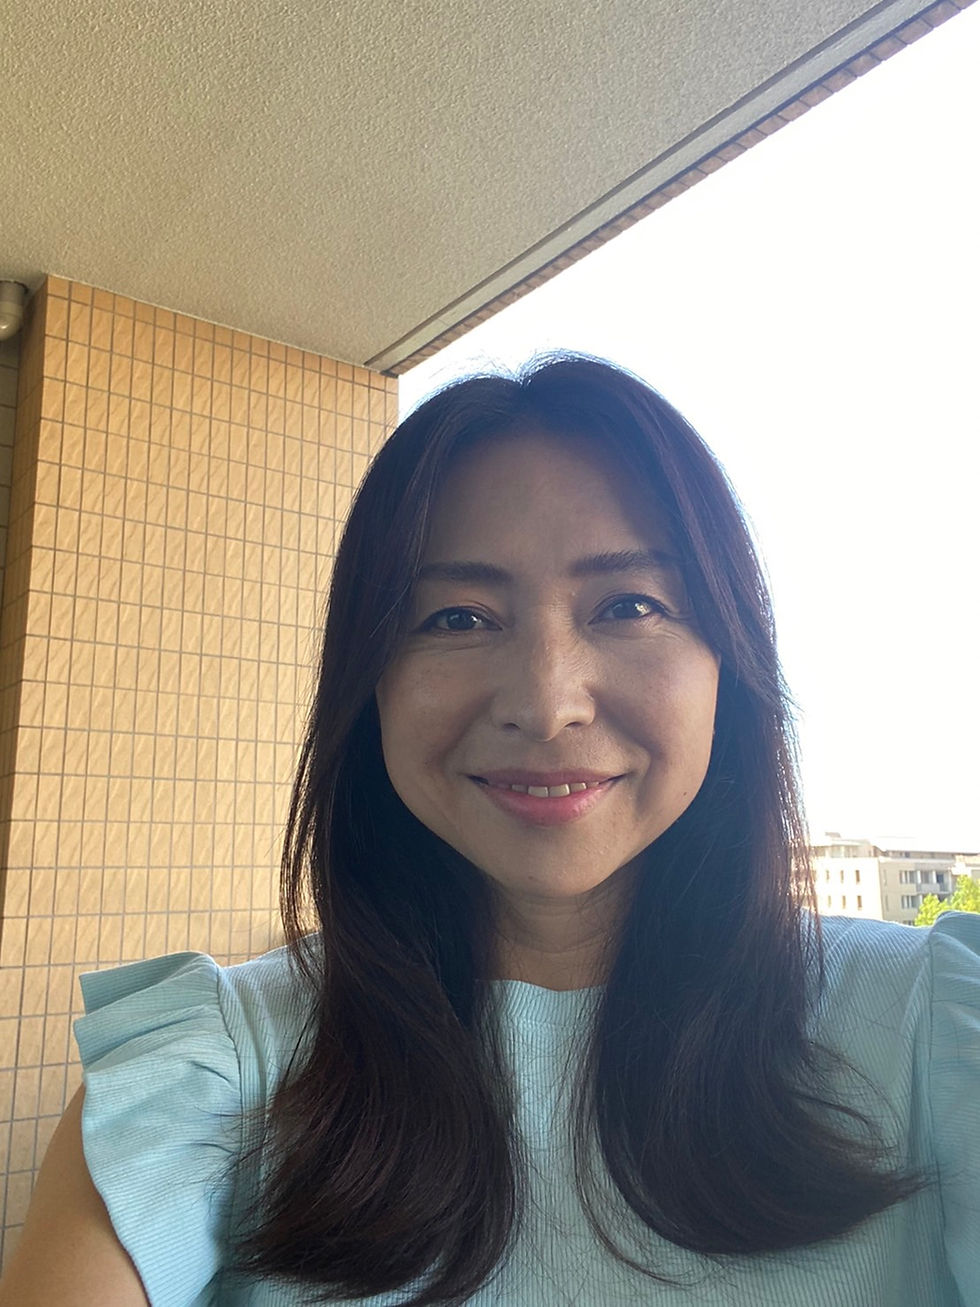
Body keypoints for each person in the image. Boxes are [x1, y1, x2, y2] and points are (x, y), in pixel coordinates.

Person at [2, 355, 978, 1307]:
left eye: (628, 605)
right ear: (370, 680)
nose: (546, 704)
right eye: (457, 617)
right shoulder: (211, 1069)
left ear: (730, 659)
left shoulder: (934, 1030)